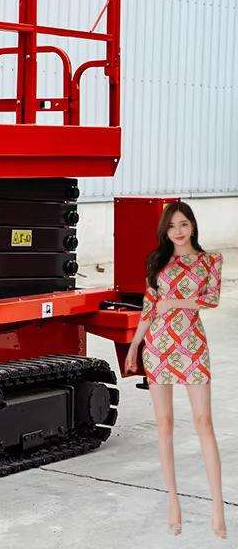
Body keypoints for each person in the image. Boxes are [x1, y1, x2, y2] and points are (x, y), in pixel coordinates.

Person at [125, 202, 225, 538]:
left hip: (192, 345)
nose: (178, 232)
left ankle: (217, 507)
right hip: (158, 346)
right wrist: (135, 345)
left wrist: (175, 302)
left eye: (183, 224)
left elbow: (212, 299)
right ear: (165, 232)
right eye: (171, 227)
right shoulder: (158, 261)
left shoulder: (210, 261)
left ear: (192, 225)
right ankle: (173, 503)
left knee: (203, 422)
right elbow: (148, 307)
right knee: (164, 424)